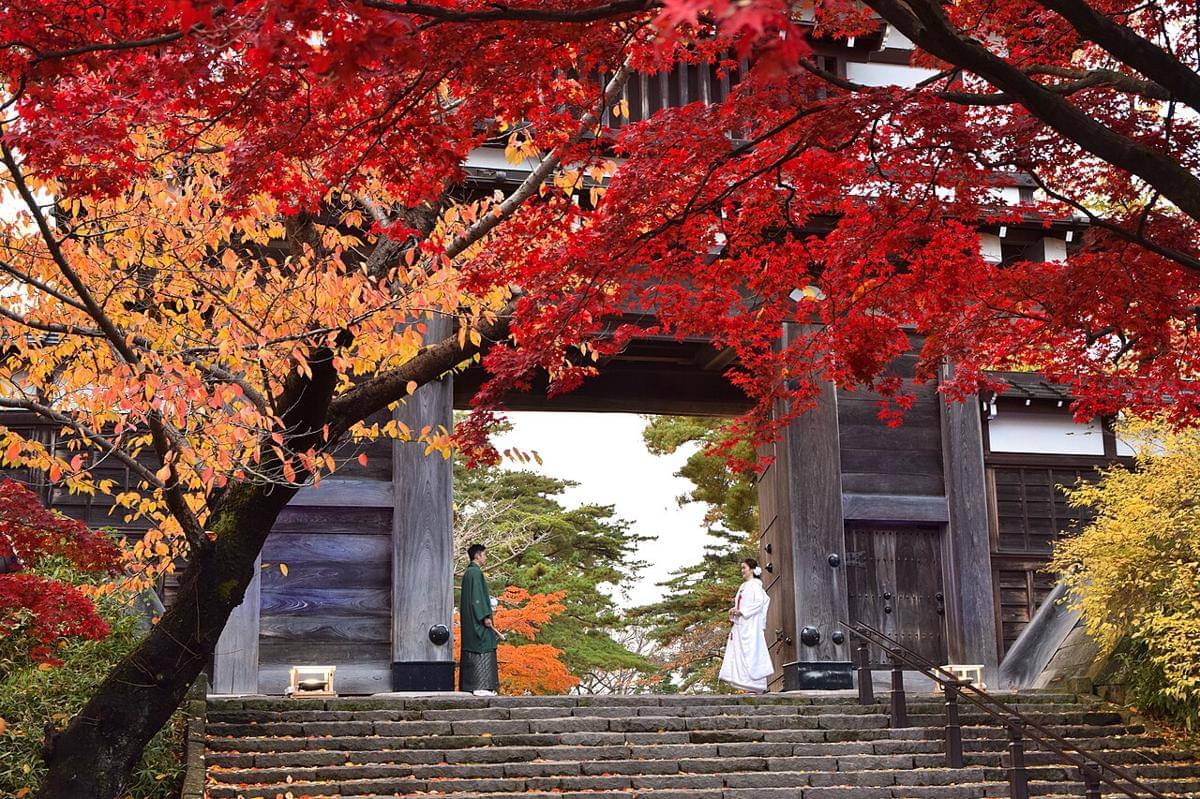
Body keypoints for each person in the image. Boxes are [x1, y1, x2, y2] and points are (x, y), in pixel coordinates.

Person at [718, 558, 774, 693]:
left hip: (751, 625)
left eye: (744, 568)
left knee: (752, 652)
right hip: (741, 625)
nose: (742, 570)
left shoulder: (755, 585)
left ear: (752, 569)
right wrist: (735, 610)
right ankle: (747, 685)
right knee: (740, 652)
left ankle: (757, 685)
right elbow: (741, 604)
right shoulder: (743, 586)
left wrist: (742, 611)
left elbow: (759, 603)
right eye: (741, 568)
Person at [459, 543, 500, 696]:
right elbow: (477, 597)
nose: (486, 558)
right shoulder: (475, 573)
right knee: (483, 644)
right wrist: (485, 616)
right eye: (484, 554)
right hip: (477, 620)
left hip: (471, 619)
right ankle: (480, 686)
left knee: (474, 645)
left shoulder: (469, 573)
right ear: (477, 555)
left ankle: (473, 686)